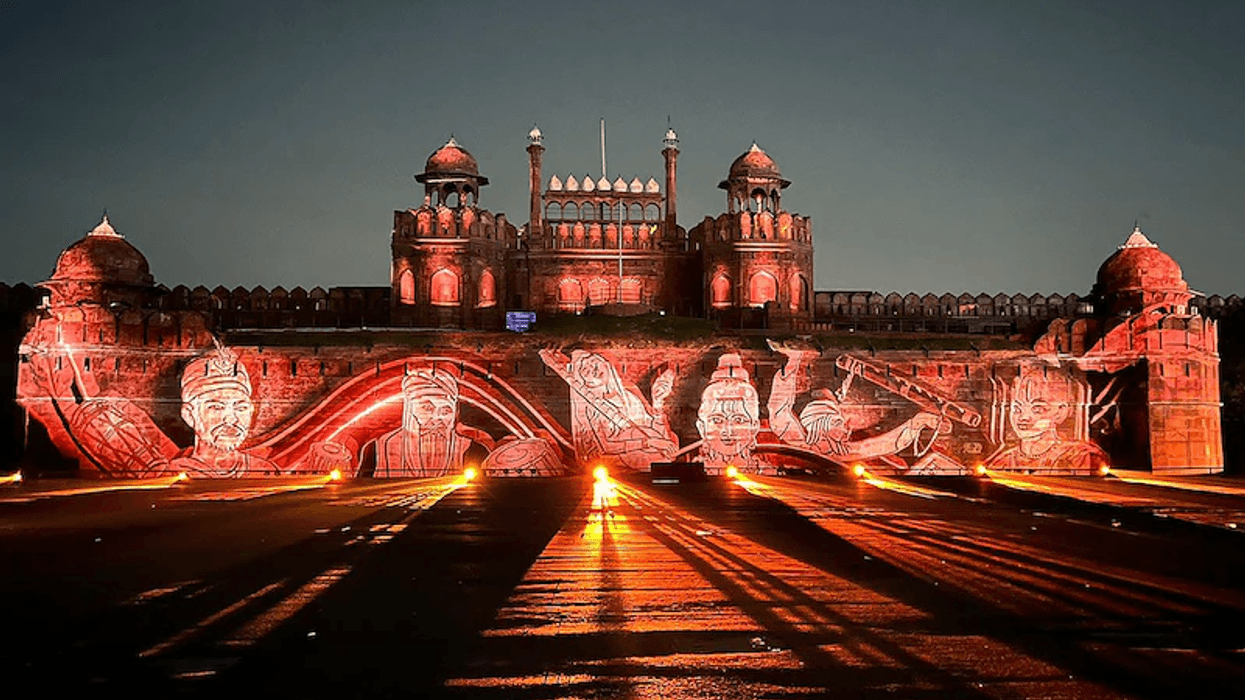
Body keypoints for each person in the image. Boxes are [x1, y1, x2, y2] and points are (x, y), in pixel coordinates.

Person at [767, 346, 947, 462]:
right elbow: (885, 444)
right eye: (840, 423)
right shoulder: (833, 450)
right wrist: (919, 422)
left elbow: (779, 408)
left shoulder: (798, 438)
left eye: (839, 422)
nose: (847, 429)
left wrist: (794, 361)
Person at [539, 348, 676, 470]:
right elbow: (606, 446)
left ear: (606, 365)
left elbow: (654, 430)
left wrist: (658, 404)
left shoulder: (629, 392)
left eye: (594, 364)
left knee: (672, 444)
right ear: (585, 381)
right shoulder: (591, 409)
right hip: (624, 454)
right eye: (585, 371)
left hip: (649, 448)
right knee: (660, 463)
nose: (593, 371)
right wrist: (648, 443)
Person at [172, 346, 277, 477]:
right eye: (217, 407)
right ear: (189, 415)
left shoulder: (264, 471)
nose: (231, 419)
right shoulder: (172, 473)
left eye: (240, 408)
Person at [985, 364, 1107, 474]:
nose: (1023, 417)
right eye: (1017, 409)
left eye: (1037, 409)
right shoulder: (1002, 461)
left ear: (1061, 412)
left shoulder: (1079, 456)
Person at [370, 367, 493, 477]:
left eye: (445, 411)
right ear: (409, 409)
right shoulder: (379, 448)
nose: (437, 418)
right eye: (427, 408)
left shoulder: (473, 450)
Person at [696, 353, 764, 473]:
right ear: (702, 427)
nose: (728, 431)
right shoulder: (693, 473)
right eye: (717, 420)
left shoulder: (768, 474)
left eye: (739, 420)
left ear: (754, 427)